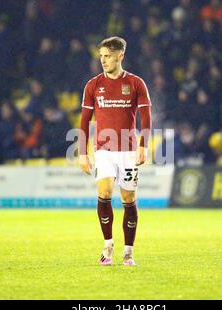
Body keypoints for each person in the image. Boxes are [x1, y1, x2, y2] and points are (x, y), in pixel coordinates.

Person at [78, 37, 152, 266]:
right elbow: (84, 120)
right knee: (105, 191)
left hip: (128, 150)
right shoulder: (93, 85)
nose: (103, 60)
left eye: (107, 56)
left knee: (128, 198)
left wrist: (143, 145)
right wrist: (83, 152)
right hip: (104, 150)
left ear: (120, 56)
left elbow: (146, 117)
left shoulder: (136, 83)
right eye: (101, 56)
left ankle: (128, 251)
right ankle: (108, 246)